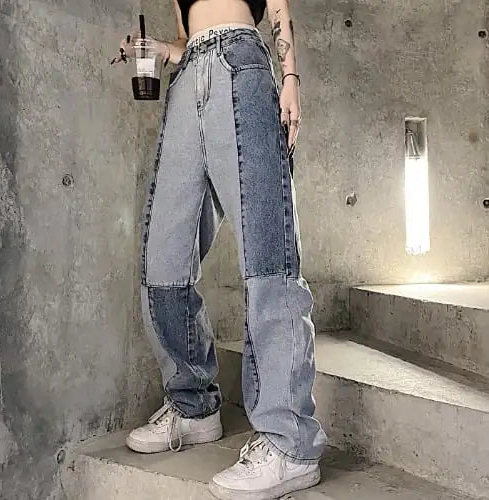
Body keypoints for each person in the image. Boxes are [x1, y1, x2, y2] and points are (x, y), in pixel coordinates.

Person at [112, 0, 327, 498]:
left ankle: (291, 444)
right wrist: (162, 50)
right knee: (163, 263)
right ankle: (193, 406)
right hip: (189, 77)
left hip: (242, 64)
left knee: (268, 256)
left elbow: (277, 3)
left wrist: (290, 76)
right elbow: (188, 37)